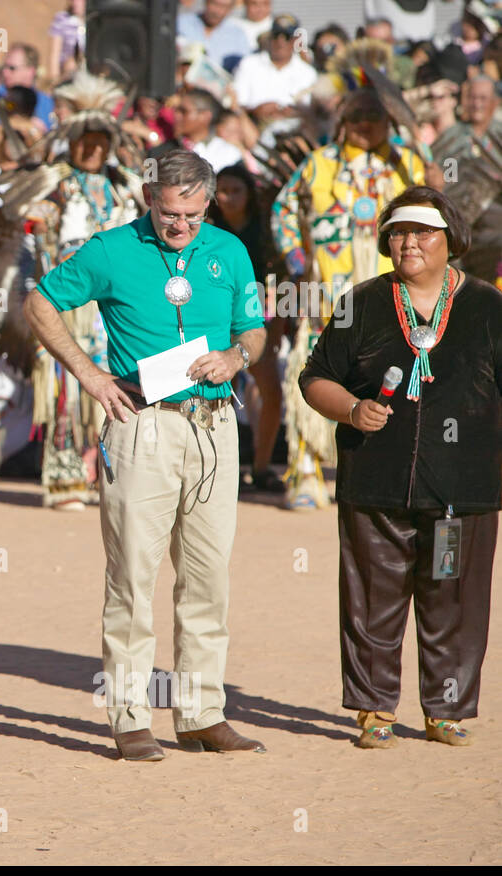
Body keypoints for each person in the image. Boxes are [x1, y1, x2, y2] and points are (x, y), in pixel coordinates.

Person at [24, 150, 268, 761]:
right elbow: (39, 304)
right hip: (142, 426)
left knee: (208, 579)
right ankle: (130, 715)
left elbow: (255, 329)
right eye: (168, 212)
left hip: (215, 425)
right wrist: (90, 376)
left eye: (191, 212)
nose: (179, 224)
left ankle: (202, 713)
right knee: (133, 576)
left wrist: (236, 358)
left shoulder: (230, 251)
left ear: (207, 203)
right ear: (147, 197)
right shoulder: (110, 250)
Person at [300, 186, 501, 748]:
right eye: (398, 232)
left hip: (463, 492)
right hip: (375, 483)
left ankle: (446, 711)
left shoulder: (488, 306)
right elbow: (314, 378)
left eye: (422, 232)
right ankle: (373, 712)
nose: (408, 242)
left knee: (454, 598)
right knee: (371, 599)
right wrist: (351, 409)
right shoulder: (360, 303)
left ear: (450, 240)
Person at [273, 74, 426, 509]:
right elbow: (282, 212)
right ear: (341, 120)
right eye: (355, 115)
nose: (365, 123)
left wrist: (413, 131)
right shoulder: (318, 163)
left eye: (375, 115)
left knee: (389, 376)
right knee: (316, 370)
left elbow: (436, 197)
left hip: (391, 294)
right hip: (327, 292)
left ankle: (385, 472)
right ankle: (305, 471)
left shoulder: (408, 164)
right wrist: (298, 262)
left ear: (389, 120)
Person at [33, 74, 145, 510]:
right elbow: (30, 218)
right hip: (67, 302)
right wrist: (41, 225)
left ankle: (108, 475)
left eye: (102, 142)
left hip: (113, 307)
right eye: (85, 141)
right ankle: (64, 481)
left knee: (116, 383)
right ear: (72, 142)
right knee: (67, 387)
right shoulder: (56, 184)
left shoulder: (126, 186)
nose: (93, 150)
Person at [208, 163, 284, 494]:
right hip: (217, 318)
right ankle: (228, 466)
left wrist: (278, 330)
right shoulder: (206, 229)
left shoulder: (267, 230)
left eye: (236, 190)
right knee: (222, 390)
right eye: (222, 190)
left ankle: (263, 466)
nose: (228, 198)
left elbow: (282, 282)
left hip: (259, 317)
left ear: (249, 194)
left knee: (271, 390)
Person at [231, 14, 317, 148]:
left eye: (286, 37)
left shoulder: (307, 73)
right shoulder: (249, 64)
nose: (280, 42)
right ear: (270, 37)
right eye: (276, 35)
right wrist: (256, 111)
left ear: (295, 40)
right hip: (252, 131)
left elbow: (311, 110)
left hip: (293, 135)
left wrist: (288, 112)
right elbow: (236, 104)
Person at [0, 43, 56, 131]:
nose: (5, 72)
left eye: (12, 68)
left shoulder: (46, 103)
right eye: (4, 67)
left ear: (31, 71)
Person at [177, 0, 253, 73]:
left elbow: (244, 68)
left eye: (224, 6)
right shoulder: (181, 24)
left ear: (231, 9)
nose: (217, 11)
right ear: (206, 2)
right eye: (215, 4)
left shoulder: (238, 35)